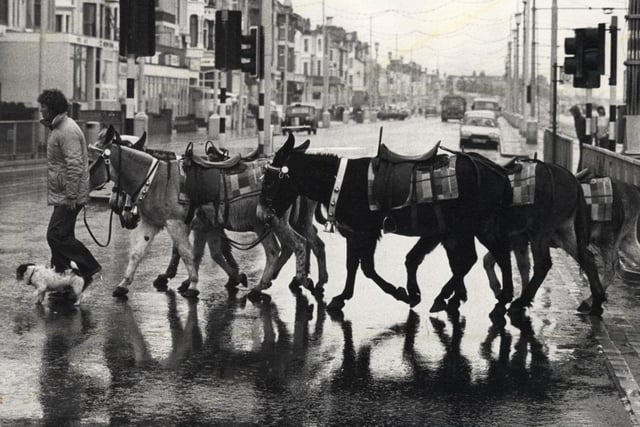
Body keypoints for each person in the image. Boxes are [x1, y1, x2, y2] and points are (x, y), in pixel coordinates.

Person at [38, 89, 101, 286]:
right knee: (62, 234)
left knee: (55, 234)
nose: (41, 111)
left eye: (44, 107)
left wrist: (72, 195)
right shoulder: (59, 127)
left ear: (53, 108)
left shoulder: (66, 130)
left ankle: (89, 267)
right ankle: (62, 277)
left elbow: (74, 164)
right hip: (64, 192)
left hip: (69, 194)